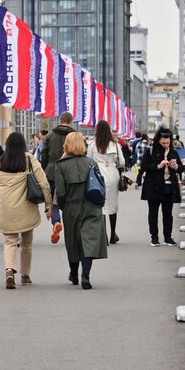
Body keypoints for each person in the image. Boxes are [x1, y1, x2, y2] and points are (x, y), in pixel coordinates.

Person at [0, 132, 52, 289]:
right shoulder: (29, 160)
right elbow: (43, 183)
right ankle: (25, 275)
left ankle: (9, 270)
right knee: (26, 243)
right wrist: (48, 204)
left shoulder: (0, 162)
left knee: (10, 241)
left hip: (7, 210)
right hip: (26, 208)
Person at [55, 132, 108, 289]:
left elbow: (60, 192)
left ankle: (73, 273)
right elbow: (100, 184)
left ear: (67, 144)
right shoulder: (91, 162)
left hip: (72, 207)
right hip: (92, 206)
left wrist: (64, 208)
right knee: (89, 241)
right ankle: (85, 276)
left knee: (72, 242)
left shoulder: (60, 165)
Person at [140, 127, 185, 247]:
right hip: (153, 186)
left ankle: (168, 237)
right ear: (158, 141)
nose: (165, 145)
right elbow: (144, 166)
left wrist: (175, 167)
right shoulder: (150, 151)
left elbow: (181, 168)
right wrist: (158, 166)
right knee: (153, 213)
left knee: (168, 213)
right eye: (163, 143)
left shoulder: (173, 152)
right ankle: (154, 237)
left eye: (168, 143)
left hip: (169, 187)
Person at [87, 120, 125, 244]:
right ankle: (113, 233)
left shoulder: (92, 144)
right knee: (112, 205)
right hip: (113, 174)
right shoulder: (115, 145)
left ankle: (103, 235)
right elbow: (122, 163)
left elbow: (88, 160)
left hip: (98, 174)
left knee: (100, 205)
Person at [40, 111, 76, 244]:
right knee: (69, 201)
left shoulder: (50, 135)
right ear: (71, 121)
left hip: (52, 172)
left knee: (54, 201)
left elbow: (44, 154)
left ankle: (56, 222)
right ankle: (70, 231)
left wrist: (44, 170)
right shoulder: (74, 135)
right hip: (69, 172)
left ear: (60, 120)